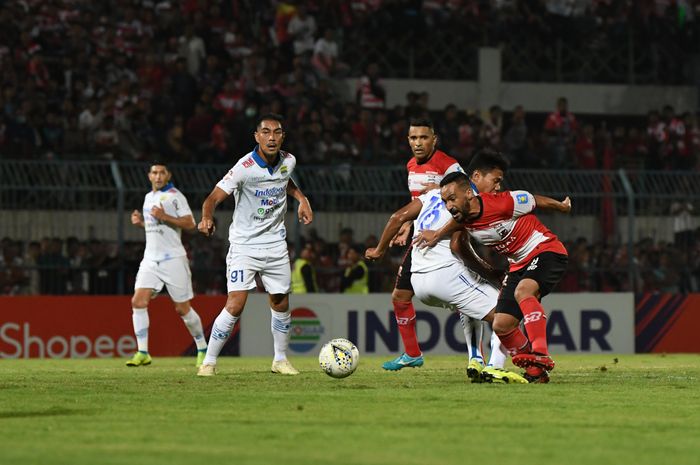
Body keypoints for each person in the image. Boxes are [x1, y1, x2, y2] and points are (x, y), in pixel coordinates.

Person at [369, 153, 525, 384]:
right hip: (444, 273)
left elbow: (397, 217)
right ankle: (502, 365)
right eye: (495, 180)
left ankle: (476, 359)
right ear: (476, 177)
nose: (497, 187)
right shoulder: (468, 201)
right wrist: (489, 271)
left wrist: (379, 250)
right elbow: (457, 245)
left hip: (419, 281)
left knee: (470, 304)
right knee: (507, 314)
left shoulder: (433, 195)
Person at [196, 113, 313, 377]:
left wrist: (302, 199)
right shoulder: (244, 167)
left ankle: (280, 360)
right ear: (257, 136)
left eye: (277, 132)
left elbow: (285, 181)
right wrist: (206, 217)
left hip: (275, 245)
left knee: (280, 301)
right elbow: (212, 197)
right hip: (244, 246)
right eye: (266, 132)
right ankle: (209, 362)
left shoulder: (289, 160)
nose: (272, 138)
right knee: (236, 304)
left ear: (283, 136)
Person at [438, 169, 571, 383]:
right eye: (445, 201)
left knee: (524, 291)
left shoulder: (502, 202)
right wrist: (433, 233)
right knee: (501, 325)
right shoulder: (461, 217)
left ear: (469, 194)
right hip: (518, 265)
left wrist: (561, 206)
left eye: (452, 199)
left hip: (545, 249)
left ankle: (540, 352)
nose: (449, 206)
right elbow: (455, 229)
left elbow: (534, 201)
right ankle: (536, 371)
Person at [382, 118, 490, 376]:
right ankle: (412, 354)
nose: (418, 143)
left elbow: (469, 194)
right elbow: (418, 202)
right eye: (413, 138)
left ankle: (476, 357)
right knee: (399, 297)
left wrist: (440, 190)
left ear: (434, 139)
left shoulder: (447, 164)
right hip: (423, 238)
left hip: (451, 237)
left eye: (423, 138)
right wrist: (407, 225)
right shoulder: (410, 165)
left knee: (468, 299)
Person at [126, 162, 207, 367]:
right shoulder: (148, 197)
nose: (158, 176)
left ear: (168, 175)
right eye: (155, 172)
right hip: (150, 260)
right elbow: (156, 227)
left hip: (173, 259)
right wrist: (141, 224)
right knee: (138, 302)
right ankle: (143, 352)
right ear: (149, 176)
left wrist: (165, 216)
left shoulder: (175, 196)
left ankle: (203, 348)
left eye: (162, 172)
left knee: (182, 309)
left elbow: (190, 224)